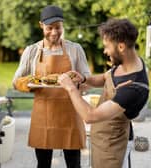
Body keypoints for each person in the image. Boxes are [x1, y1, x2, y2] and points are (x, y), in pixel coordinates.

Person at [58, 18, 149, 168]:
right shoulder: (127, 61)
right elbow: (105, 77)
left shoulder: (134, 88)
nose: (105, 51)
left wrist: (71, 88)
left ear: (121, 46)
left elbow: (89, 116)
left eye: (107, 47)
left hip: (112, 148)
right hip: (102, 140)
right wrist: (84, 79)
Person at [12, 5, 91, 168]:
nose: (54, 32)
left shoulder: (75, 49)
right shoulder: (32, 51)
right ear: (41, 25)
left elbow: (88, 79)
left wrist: (81, 79)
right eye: (50, 28)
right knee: (43, 164)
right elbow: (16, 81)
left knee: (74, 164)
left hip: (70, 114)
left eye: (58, 27)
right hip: (43, 116)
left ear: (63, 26)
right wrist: (30, 83)